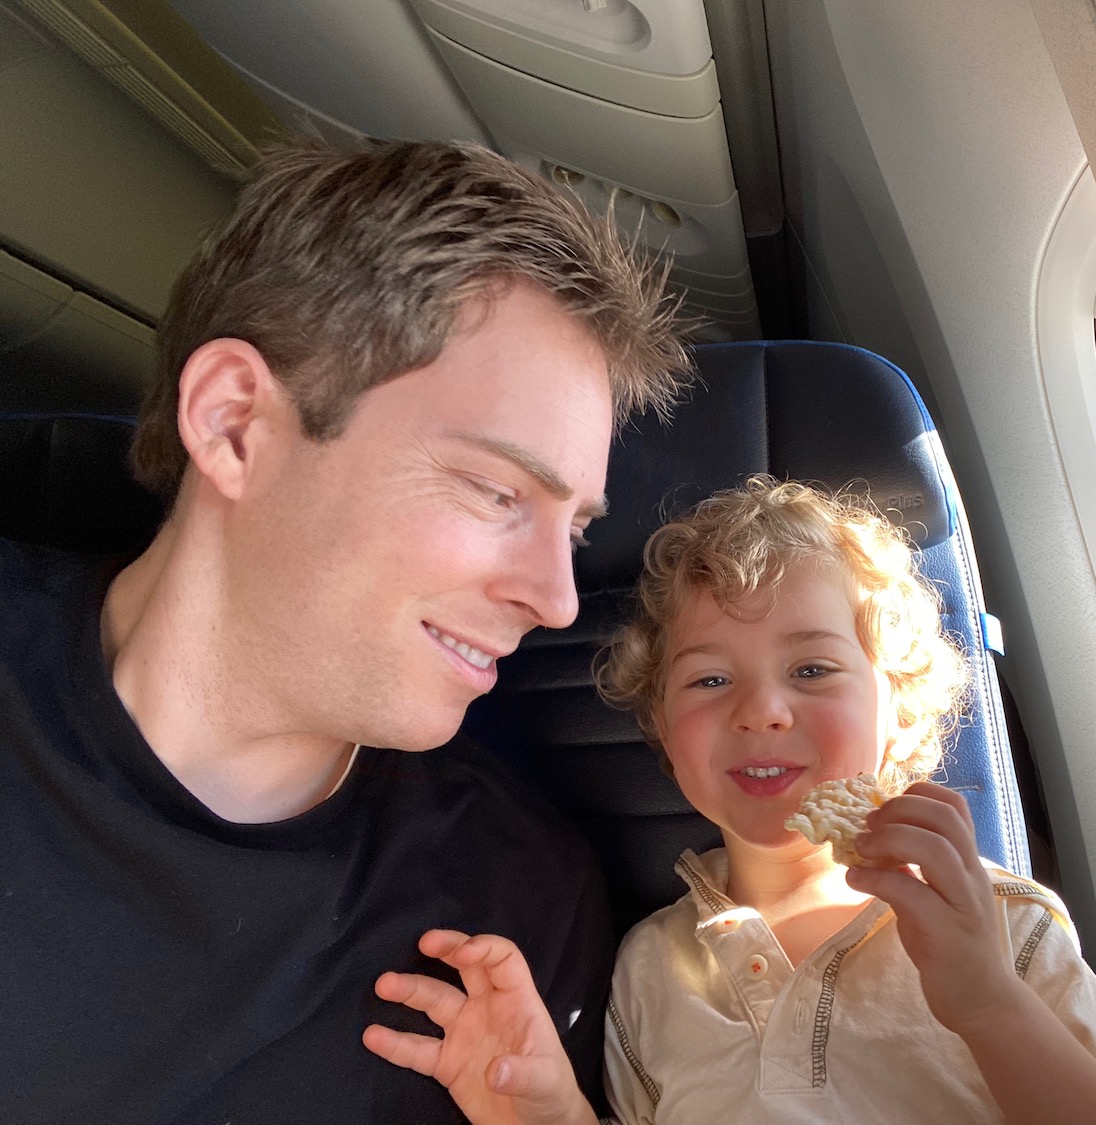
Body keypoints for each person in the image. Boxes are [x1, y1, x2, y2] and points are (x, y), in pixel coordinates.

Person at [0, 138, 691, 1124]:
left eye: (573, 530)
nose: (557, 600)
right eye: (498, 491)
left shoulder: (511, 911)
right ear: (235, 422)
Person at [369, 476, 1096, 1124]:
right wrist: (543, 1113)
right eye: (711, 678)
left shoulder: (1002, 924)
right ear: (664, 729)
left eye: (812, 669)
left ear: (898, 706)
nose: (760, 709)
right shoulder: (650, 967)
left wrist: (986, 1000)